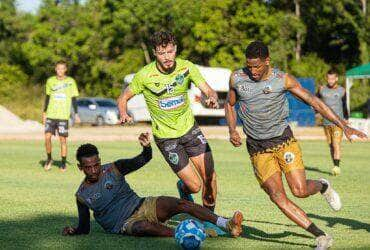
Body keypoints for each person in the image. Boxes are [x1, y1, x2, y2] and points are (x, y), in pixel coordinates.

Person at [224, 41, 367, 250]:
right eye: (249, 66)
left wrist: (342, 125)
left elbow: (313, 101)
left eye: (257, 66)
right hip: (257, 148)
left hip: (283, 141)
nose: (253, 71)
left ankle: (323, 185)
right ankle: (321, 236)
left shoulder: (282, 79)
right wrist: (231, 129)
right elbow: (230, 104)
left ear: (267, 61)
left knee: (299, 190)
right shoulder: (237, 78)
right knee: (277, 196)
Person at [117, 30, 223, 233]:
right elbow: (123, 97)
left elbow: (208, 90)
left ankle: (209, 222)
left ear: (176, 49)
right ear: (155, 53)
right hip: (167, 139)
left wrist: (211, 97)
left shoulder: (187, 67)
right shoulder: (145, 75)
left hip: (190, 130)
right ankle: (183, 188)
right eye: (161, 53)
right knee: (194, 186)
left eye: (170, 51)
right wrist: (123, 112)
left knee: (210, 177)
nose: (167, 57)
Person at [62, 133, 243, 238]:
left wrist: (146, 147)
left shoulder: (114, 169)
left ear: (99, 161)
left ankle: (226, 224)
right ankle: (185, 234)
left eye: (96, 165)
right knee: (143, 227)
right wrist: (74, 230)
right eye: (88, 167)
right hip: (126, 223)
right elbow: (85, 227)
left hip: (144, 205)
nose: (93, 170)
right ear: (80, 167)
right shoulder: (82, 195)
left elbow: (144, 159)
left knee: (180, 204)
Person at [42, 60, 80, 172]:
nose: (60, 71)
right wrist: (44, 112)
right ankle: (49, 159)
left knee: (62, 140)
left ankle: (63, 163)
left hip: (63, 116)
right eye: (58, 68)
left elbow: (74, 99)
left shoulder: (70, 82)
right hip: (51, 114)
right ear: (55, 69)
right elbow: (47, 98)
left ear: (65, 69)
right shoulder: (50, 81)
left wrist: (76, 114)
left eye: (62, 68)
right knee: (47, 138)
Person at [317, 69, 349, 176]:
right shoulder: (321, 89)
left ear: (336, 79)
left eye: (332, 78)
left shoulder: (342, 90)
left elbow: (344, 105)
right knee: (331, 145)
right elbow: (315, 101)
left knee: (336, 144)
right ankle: (335, 165)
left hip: (338, 123)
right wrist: (316, 111)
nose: (330, 80)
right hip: (326, 122)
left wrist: (347, 118)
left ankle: (337, 167)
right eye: (328, 78)